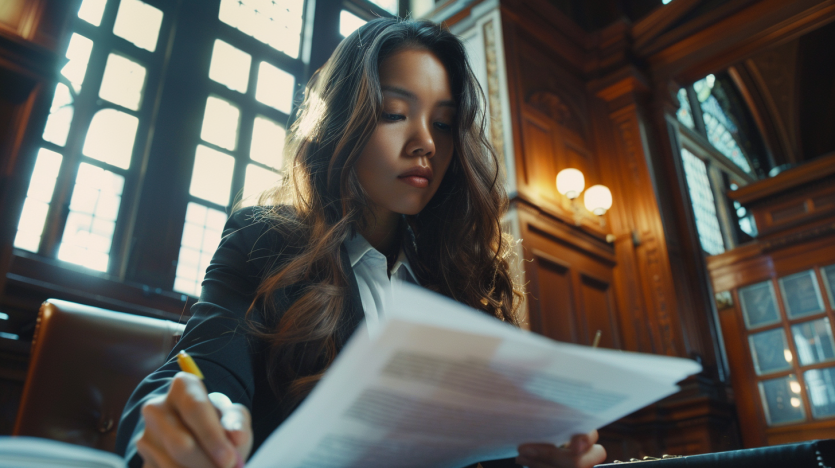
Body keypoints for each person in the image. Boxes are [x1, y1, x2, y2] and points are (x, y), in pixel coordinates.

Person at [115, 18, 607, 468]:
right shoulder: (261, 241)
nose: (426, 143)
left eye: (441, 123)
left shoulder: (461, 282)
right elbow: (203, 373)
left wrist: (541, 461)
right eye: (395, 113)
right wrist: (188, 420)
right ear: (341, 124)